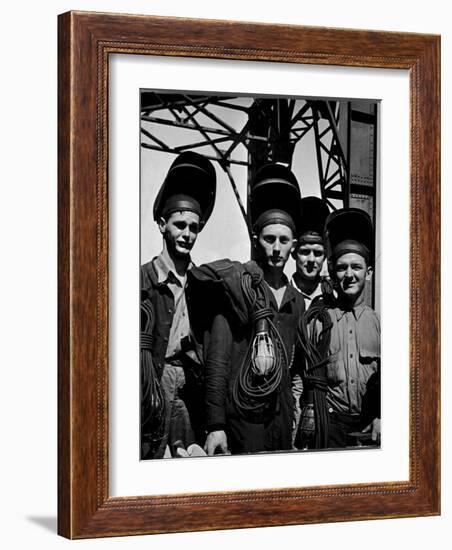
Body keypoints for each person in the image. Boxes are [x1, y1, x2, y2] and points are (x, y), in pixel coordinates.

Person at [188, 164, 305, 456]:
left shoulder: (296, 301)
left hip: (280, 416)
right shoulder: (236, 288)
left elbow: (295, 369)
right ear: (257, 241)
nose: (276, 249)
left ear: (294, 245)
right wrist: (216, 425)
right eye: (269, 239)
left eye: (284, 240)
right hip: (243, 419)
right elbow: (218, 360)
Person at [140, 151, 216, 459]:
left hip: (189, 399)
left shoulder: (204, 286)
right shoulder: (141, 280)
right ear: (161, 224)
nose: (187, 234)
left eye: (194, 228)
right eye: (180, 225)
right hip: (150, 391)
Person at [299, 207, 380, 449]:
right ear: (333, 272)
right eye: (342, 267)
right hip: (329, 427)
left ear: (369, 271)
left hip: (370, 428)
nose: (349, 275)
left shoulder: (381, 324)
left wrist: (383, 416)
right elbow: (302, 379)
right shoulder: (318, 321)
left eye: (356, 267)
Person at [291, 197, 331, 309]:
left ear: (325, 256)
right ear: (293, 253)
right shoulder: (279, 295)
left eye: (318, 253)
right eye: (305, 252)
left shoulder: (334, 299)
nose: (311, 260)